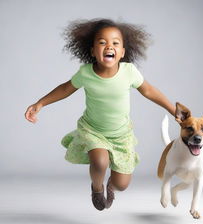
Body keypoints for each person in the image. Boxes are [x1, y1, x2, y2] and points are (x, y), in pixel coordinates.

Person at [25, 18, 176, 211]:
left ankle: (111, 185)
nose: (108, 46)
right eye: (102, 42)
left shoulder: (129, 72)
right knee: (100, 161)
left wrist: (173, 111)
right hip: (93, 130)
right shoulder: (86, 73)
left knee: (122, 184)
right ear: (92, 51)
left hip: (121, 136)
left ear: (122, 52)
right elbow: (65, 89)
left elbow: (149, 91)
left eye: (115, 43)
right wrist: (40, 103)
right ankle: (97, 188)